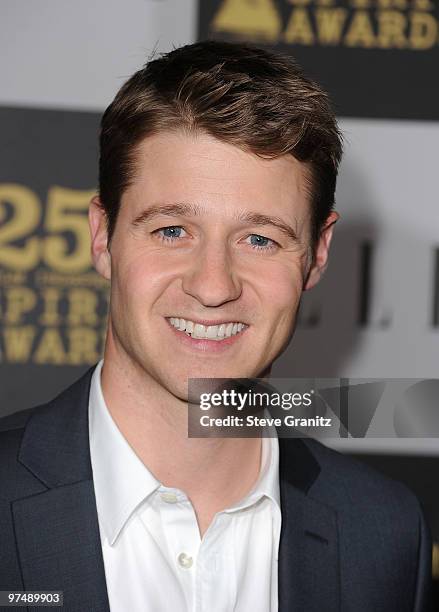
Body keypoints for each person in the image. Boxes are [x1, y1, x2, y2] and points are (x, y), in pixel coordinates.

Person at [0, 41, 432, 611]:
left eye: (260, 239)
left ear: (317, 254)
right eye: (172, 230)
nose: (212, 286)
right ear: (103, 238)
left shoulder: (383, 534)